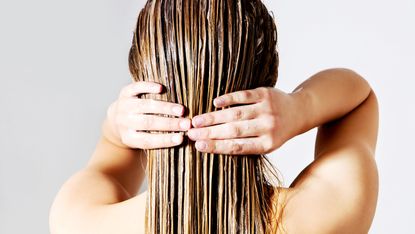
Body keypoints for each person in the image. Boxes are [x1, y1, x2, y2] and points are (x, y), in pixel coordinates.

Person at [49, 0, 379, 233]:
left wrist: (114, 127)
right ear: (267, 83)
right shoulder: (325, 214)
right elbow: (359, 98)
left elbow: (106, 166)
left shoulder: (80, 221)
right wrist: (301, 107)